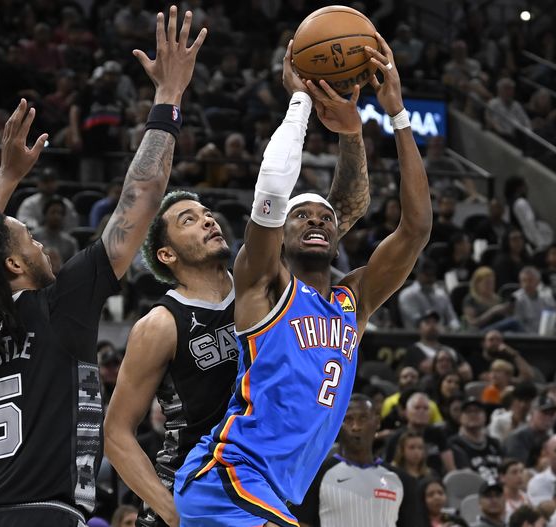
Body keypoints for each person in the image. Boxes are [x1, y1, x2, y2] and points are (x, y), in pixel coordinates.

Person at [0, 8, 206, 526]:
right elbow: (143, 194)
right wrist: (168, 101)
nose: (45, 246)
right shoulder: (57, 306)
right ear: (13, 263)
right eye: (32, 240)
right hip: (42, 514)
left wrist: (3, 180)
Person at [104, 31, 371, 527]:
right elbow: (117, 433)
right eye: (188, 219)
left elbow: (344, 209)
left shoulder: (269, 281)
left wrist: (351, 134)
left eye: (206, 212)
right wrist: (167, 510)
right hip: (193, 491)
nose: (206, 219)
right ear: (165, 253)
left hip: (255, 487)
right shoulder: (162, 323)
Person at [174, 34, 432, 527]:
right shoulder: (262, 285)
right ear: (281, 234)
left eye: (325, 217)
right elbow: (272, 186)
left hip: (271, 491)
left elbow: (416, 229)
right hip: (228, 479)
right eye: (301, 217)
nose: (316, 221)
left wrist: (397, 117)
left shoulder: (353, 299)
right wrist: (299, 101)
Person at [291, 395, 407, 527]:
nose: (356, 427)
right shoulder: (314, 476)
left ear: (377, 422)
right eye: (348, 419)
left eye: (363, 418)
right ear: (337, 423)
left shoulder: (399, 480)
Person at [384, 393, 456, 477]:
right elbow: (389, 469)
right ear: (406, 412)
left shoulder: (438, 434)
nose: (421, 411)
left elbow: (451, 468)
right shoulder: (395, 438)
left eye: (426, 408)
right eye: (417, 408)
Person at [448, 397, 503, 481]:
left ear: (485, 416)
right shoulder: (454, 444)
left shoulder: (495, 443)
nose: (473, 414)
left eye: (477, 411)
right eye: (468, 411)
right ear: (460, 417)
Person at [398, 260, 461, 331]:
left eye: (432, 275)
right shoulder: (407, 294)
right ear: (418, 274)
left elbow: (452, 318)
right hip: (414, 336)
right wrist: (436, 328)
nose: (430, 279)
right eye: (427, 275)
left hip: (442, 336)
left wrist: (455, 328)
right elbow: (416, 320)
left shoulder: (441, 294)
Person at [503, 394, 556, 466]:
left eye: (551, 414)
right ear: (532, 413)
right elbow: (518, 470)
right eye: (544, 413)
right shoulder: (518, 437)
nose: (548, 417)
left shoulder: (550, 438)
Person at [31, 196, 79, 267]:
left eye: (60, 213)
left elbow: (75, 267)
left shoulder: (70, 242)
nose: (57, 216)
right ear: (45, 214)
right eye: (53, 212)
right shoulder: (32, 237)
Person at [512, 267, 556, 334]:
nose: (527, 284)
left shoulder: (547, 297)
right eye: (524, 281)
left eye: (530, 280)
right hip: (524, 337)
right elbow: (517, 324)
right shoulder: (516, 298)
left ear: (537, 282)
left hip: (547, 336)